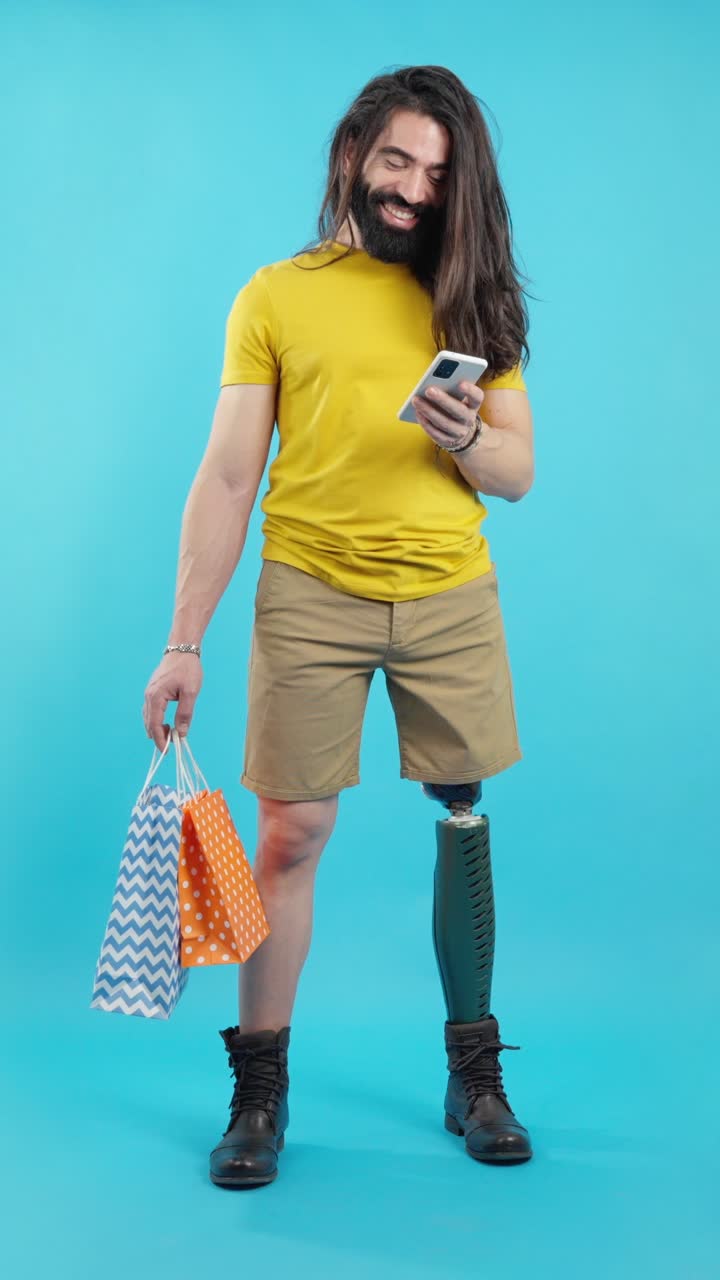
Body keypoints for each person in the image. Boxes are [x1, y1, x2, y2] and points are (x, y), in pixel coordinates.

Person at [143, 64, 535, 1189]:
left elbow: (516, 469)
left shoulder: (477, 297)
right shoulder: (278, 293)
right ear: (356, 154)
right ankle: (258, 1087)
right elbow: (227, 476)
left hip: (449, 592)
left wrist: (464, 434)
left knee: (464, 819)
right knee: (291, 834)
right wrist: (183, 637)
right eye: (397, 160)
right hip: (310, 588)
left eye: (437, 172)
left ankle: (475, 1071)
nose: (413, 188)